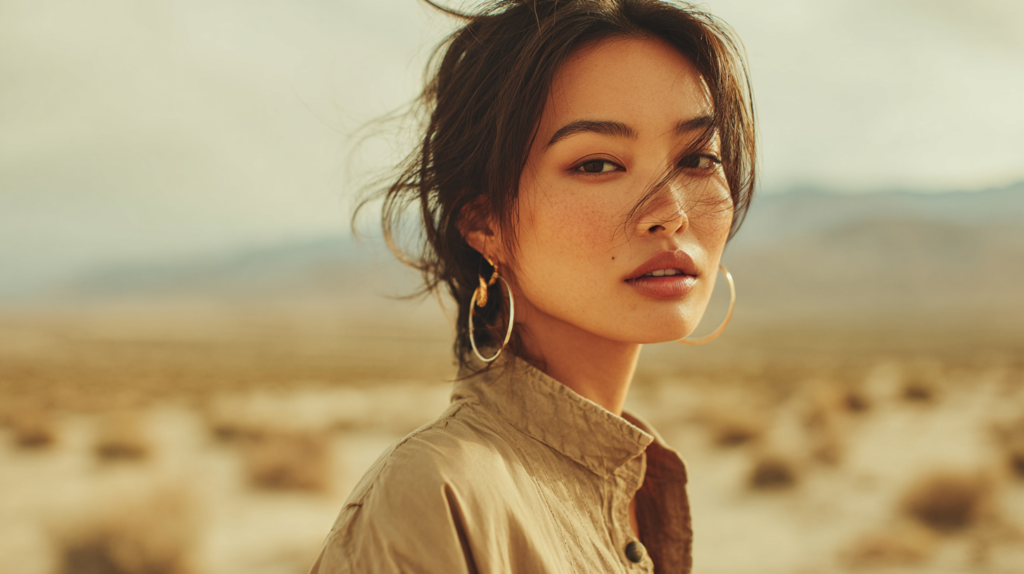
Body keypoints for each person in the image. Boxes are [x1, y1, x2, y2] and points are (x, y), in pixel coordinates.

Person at [311, 0, 755, 572]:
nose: (670, 212)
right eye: (597, 164)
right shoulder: (437, 497)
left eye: (697, 158)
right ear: (484, 223)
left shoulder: (638, 480)